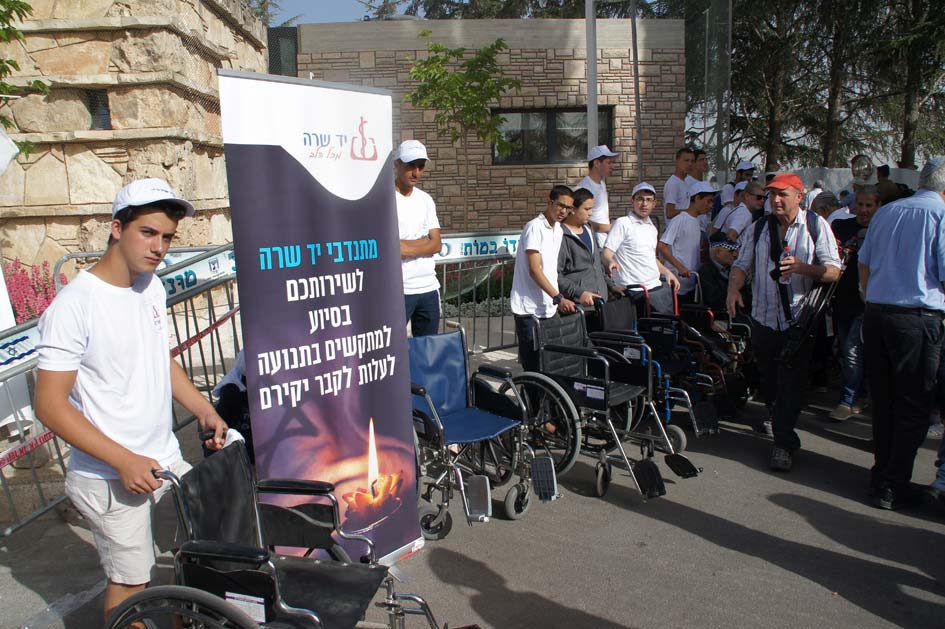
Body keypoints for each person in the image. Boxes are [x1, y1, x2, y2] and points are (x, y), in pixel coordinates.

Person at [33, 178, 229, 621]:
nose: (159, 247)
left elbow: (161, 360)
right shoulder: (74, 305)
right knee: (131, 582)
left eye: (167, 237)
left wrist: (203, 409)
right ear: (118, 228)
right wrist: (123, 460)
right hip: (110, 475)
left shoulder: (150, 286)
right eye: (148, 233)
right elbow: (50, 405)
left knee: (197, 554)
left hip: (164, 458)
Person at [726, 173, 841, 472]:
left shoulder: (816, 227)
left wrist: (803, 267)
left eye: (782, 194)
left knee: (791, 382)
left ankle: (783, 442)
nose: (775, 200)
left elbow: (833, 271)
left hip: (799, 322)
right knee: (770, 380)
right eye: (771, 194)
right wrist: (734, 288)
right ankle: (779, 423)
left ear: (798, 196)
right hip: (764, 318)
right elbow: (741, 264)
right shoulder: (760, 227)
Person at [859, 157, 945, 510]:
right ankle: (893, 483)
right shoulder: (938, 214)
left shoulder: (888, 212)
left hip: (879, 313)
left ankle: (883, 474)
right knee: (913, 405)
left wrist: (871, 298)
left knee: (886, 401)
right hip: (915, 316)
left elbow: (863, 262)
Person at [511, 185, 577, 371]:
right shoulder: (535, 227)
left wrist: (556, 298)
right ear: (549, 202)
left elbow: (550, 269)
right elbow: (534, 269)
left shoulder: (558, 230)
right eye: (560, 205)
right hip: (528, 309)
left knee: (549, 364)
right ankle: (530, 400)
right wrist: (558, 297)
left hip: (548, 307)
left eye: (568, 208)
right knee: (534, 367)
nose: (563, 211)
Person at [828, 186, 879, 421]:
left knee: (852, 351)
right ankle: (859, 392)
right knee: (847, 350)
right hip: (842, 299)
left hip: (866, 303)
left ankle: (847, 399)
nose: (864, 210)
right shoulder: (842, 226)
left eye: (869, 205)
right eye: (860, 204)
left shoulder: (881, 230)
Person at [603, 182, 681, 316]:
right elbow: (606, 252)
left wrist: (667, 272)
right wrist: (610, 261)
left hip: (656, 290)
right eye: (640, 199)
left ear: (654, 204)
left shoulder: (652, 228)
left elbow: (651, 258)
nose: (644, 204)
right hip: (634, 291)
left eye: (648, 200)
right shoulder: (623, 223)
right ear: (632, 201)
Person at [395, 140, 442, 337]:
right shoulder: (384, 200)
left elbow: (437, 243)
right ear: (397, 164)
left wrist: (406, 246)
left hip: (429, 288)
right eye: (410, 166)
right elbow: (392, 248)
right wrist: (424, 242)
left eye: (420, 167)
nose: (416, 172)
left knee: (427, 351)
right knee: (394, 350)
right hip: (400, 289)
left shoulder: (425, 199)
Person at [659, 181, 715, 303]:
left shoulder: (697, 221)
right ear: (697, 198)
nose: (711, 205)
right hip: (676, 284)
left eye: (712, 201)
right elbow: (662, 246)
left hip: (690, 283)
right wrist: (680, 268)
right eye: (708, 201)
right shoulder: (680, 219)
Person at [558, 187, 611, 308]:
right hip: (579, 305)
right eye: (587, 209)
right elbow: (556, 275)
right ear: (573, 210)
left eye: (591, 209)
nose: (591, 213)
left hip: (600, 302)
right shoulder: (561, 235)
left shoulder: (589, 229)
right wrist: (579, 293)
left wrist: (611, 286)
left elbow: (597, 266)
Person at [577, 145, 619, 248]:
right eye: (609, 163)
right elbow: (581, 219)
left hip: (604, 240)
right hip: (593, 242)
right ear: (596, 163)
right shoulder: (584, 188)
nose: (612, 166)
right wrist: (609, 227)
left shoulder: (602, 184)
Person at [699, 235, 741, 312]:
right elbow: (714, 300)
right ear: (718, 252)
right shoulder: (706, 272)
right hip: (722, 315)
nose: (735, 255)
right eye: (731, 251)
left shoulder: (732, 269)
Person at [662, 147, 694, 222]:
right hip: (676, 231)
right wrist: (690, 211)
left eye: (692, 161)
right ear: (677, 161)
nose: (690, 164)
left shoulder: (684, 182)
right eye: (686, 161)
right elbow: (669, 213)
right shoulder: (673, 183)